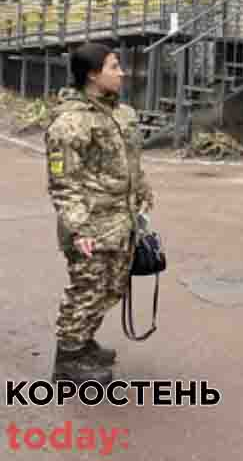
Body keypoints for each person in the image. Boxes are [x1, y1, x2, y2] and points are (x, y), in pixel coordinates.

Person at [48, 43, 155, 384]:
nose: (121, 72)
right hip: (91, 225)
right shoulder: (71, 123)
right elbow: (64, 182)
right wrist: (79, 230)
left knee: (110, 287)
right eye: (113, 67)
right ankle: (68, 359)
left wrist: (142, 194)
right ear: (93, 75)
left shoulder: (122, 114)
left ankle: (84, 343)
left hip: (121, 220)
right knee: (86, 289)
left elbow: (132, 161)